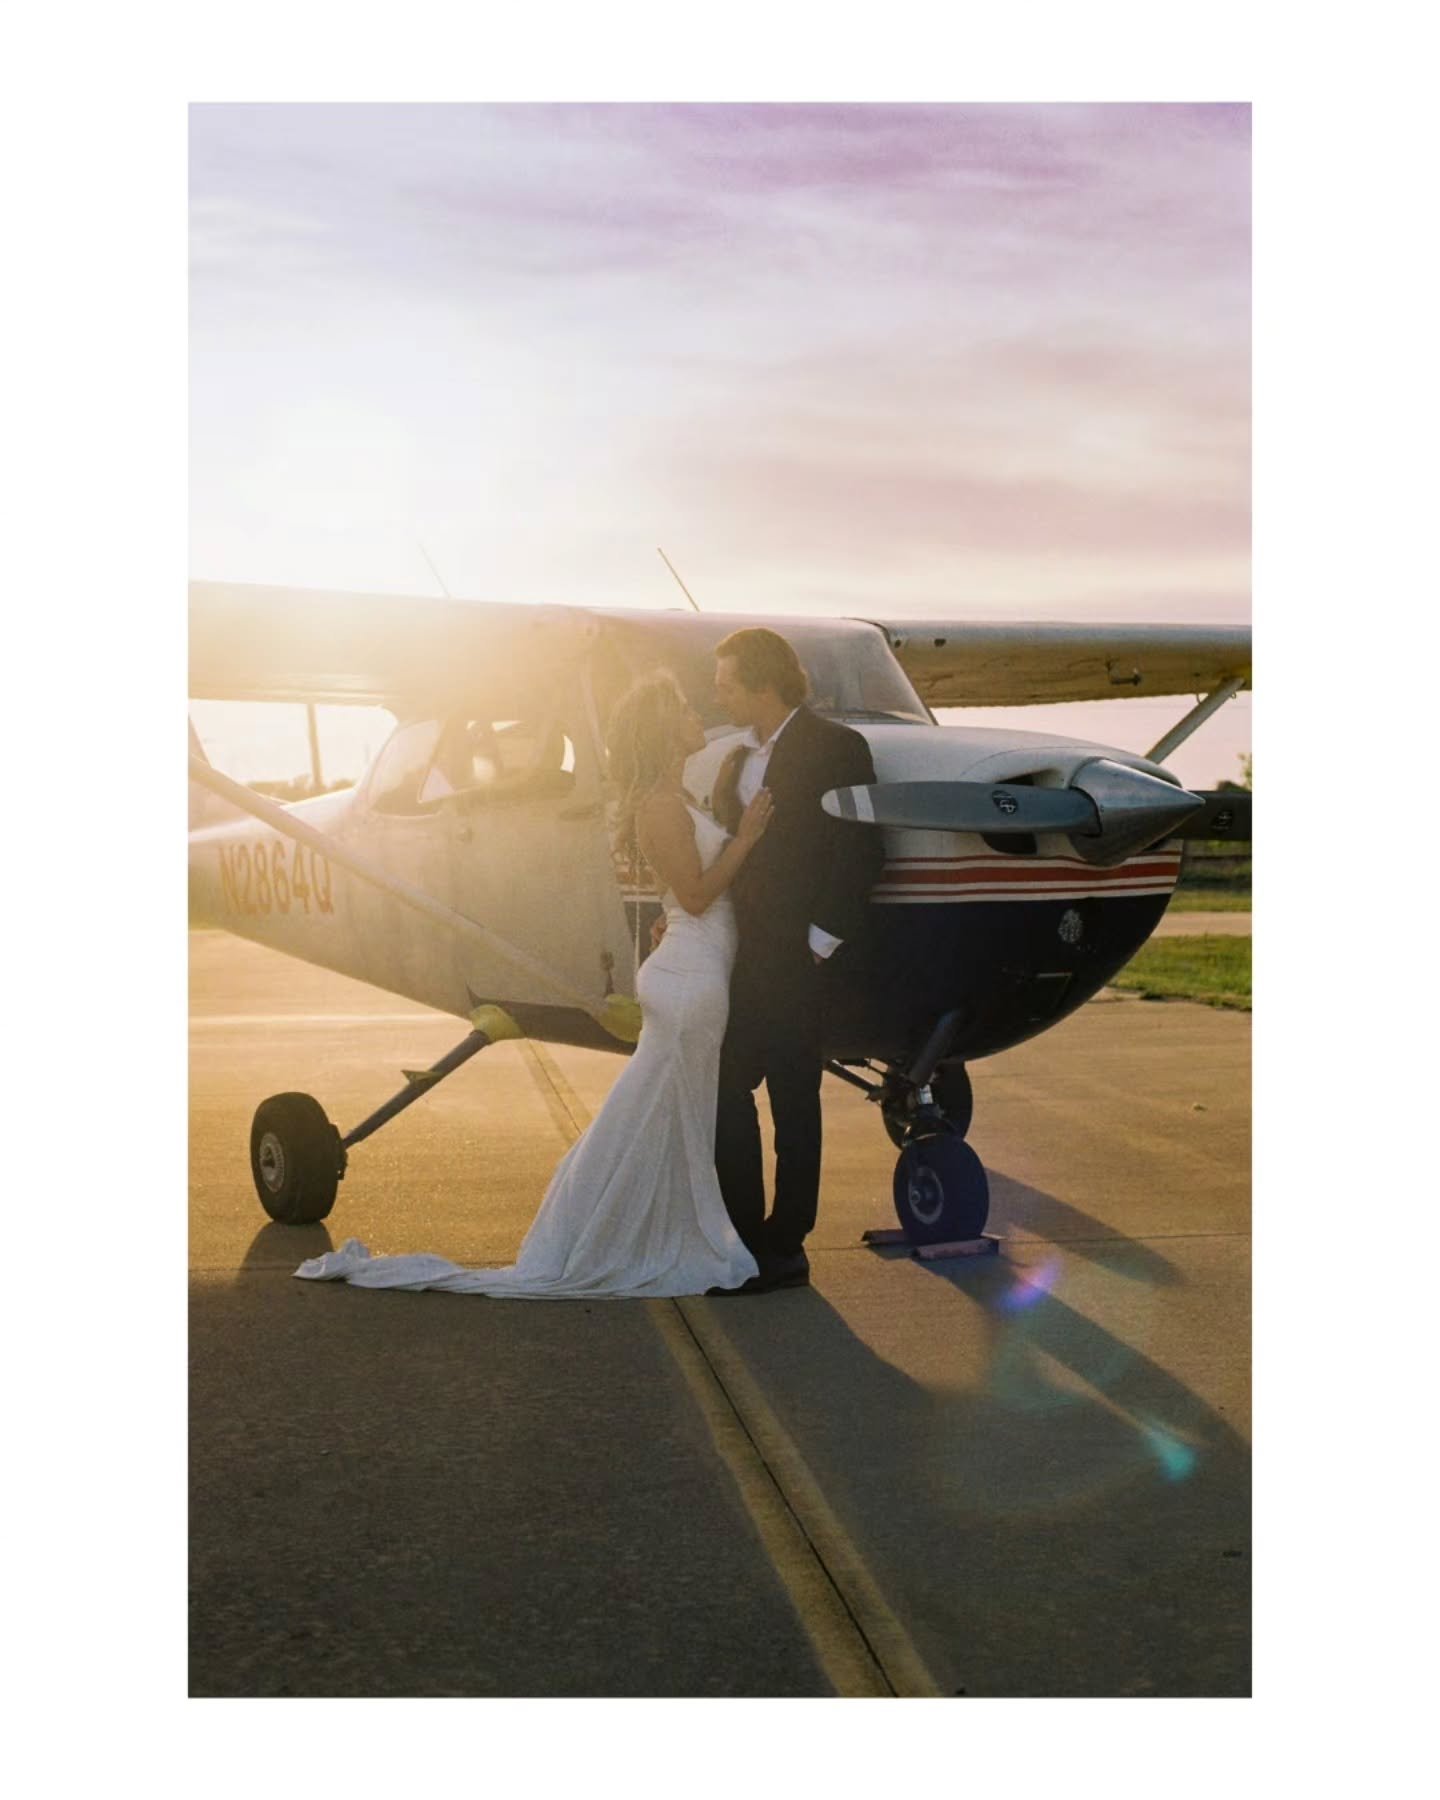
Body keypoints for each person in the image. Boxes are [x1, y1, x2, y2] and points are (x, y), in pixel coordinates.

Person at [294, 670, 774, 1300]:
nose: (696, 716)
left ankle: (639, 1234)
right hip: (688, 981)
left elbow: (679, 895)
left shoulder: (673, 799)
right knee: (668, 1116)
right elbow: (697, 894)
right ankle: (641, 1240)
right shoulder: (660, 806)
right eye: (684, 708)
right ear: (663, 729)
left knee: (660, 1117)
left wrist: (680, 907)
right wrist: (748, 839)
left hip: (690, 967)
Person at [708, 628, 885, 1293]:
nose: (718, 696)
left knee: (794, 1098)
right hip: (738, 953)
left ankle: (787, 1245)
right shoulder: (734, 760)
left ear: (763, 683)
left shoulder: (837, 747)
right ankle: (743, 1233)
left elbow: (861, 850)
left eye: (726, 684)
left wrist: (817, 944)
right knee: (726, 1087)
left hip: (798, 956)